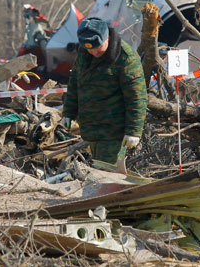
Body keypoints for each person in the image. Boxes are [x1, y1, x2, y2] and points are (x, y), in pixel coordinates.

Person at [61, 17, 148, 174]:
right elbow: (75, 83)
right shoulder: (84, 53)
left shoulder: (125, 58)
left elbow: (136, 97)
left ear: (107, 37)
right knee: (98, 172)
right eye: (90, 48)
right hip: (92, 130)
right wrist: (68, 112)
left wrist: (134, 131)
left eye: (98, 47)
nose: (94, 52)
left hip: (114, 132)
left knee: (109, 176)